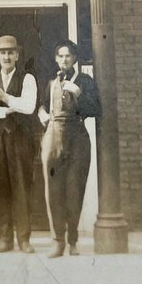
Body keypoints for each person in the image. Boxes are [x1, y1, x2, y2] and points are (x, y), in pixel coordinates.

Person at [39, 39, 101, 257]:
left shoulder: (85, 80)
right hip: (53, 137)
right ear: (56, 59)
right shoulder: (50, 81)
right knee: (53, 191)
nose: (64, 60)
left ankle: (73, 240)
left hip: (77, 138)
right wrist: (44, 118)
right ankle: (58, 241)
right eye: (60, 56)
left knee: (75, 190)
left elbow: (96, 109)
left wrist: (79, 93)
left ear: (74, 58)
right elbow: (43, 106)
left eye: (68, 56)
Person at [0, 35, 38, 253]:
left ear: (17, 55)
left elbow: (28, 107)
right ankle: (4, 238)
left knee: (22, 186)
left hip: (21, 139)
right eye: (2, 53)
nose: (6, 56)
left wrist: (4, 97)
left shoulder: (28, 79)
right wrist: (8, 108)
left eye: (10, 52)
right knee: (0, 186)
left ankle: (23, 238)